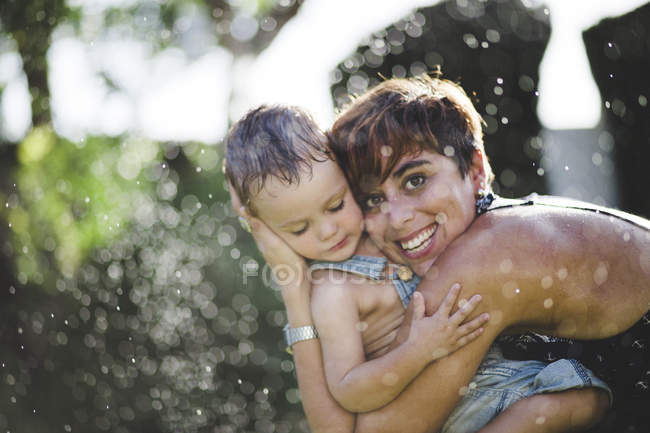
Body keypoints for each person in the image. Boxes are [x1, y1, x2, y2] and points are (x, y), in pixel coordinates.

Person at [236, 74, 649, 433]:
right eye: (372, 198)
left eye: (415, 180)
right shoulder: (500, 227)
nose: (396, 218)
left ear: (474, 168)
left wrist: (294, 289)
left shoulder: (480, 262)